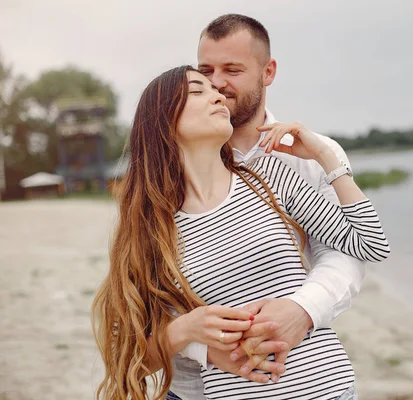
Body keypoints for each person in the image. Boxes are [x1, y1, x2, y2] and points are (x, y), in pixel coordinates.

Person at [91, 66, 389, 400]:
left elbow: (371, 245)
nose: (218, 94)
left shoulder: (269, 179)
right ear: (163, 120)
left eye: (215, 90)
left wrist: (327, 157)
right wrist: (184, 331)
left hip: (330, 390)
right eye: (198, 91)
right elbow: (126, 355)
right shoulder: (153, 227)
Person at [169, 14, 368, 392]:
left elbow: (346, 252)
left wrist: (302, 310)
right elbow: (144, 296)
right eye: (206, 69)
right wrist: (198, 344)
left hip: (296, 378)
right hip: (190, 387)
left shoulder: (305, 157)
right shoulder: (171, 168)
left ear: (268, 72)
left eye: (232, 69)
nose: (217, 83)